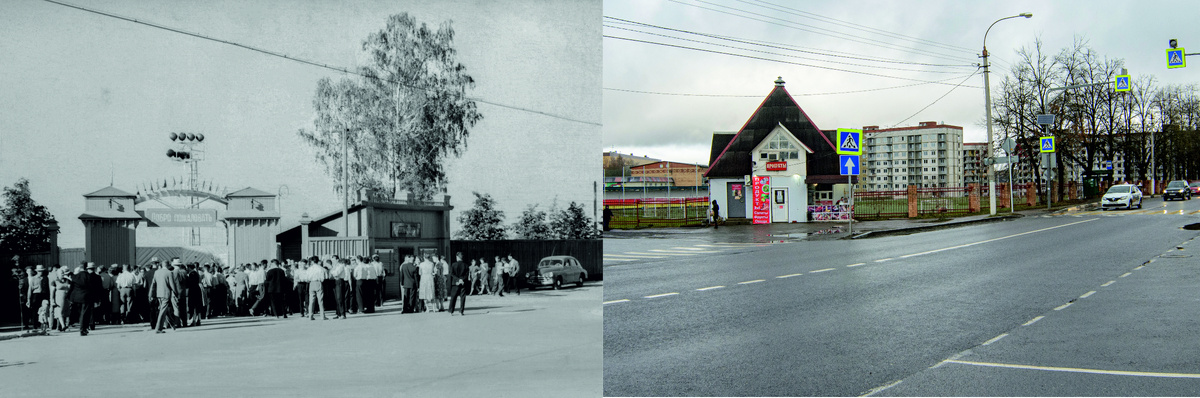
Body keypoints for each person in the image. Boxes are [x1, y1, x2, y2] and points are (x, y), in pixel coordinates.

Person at [66, 263, 101, 336]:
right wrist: (96, 299)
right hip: (87, 297)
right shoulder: (89, 277)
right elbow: (94, 289)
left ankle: (83, 328)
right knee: (85, 313)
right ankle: (83, 329)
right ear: (86, 268)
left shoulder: (75, 277)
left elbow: (72, 288)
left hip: (76, 298)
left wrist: (69, 297)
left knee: (81, 313)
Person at [148, 261, 181, 333]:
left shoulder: (156, 272)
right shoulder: (169, 273)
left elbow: (153, 284)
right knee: (162, 311)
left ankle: (172, 324)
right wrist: (176, 293)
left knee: (164, 310)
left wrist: (150, 294)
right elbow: (172, 285)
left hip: (159, 294)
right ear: (168, 265)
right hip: (166, 294)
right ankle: (158, 328)